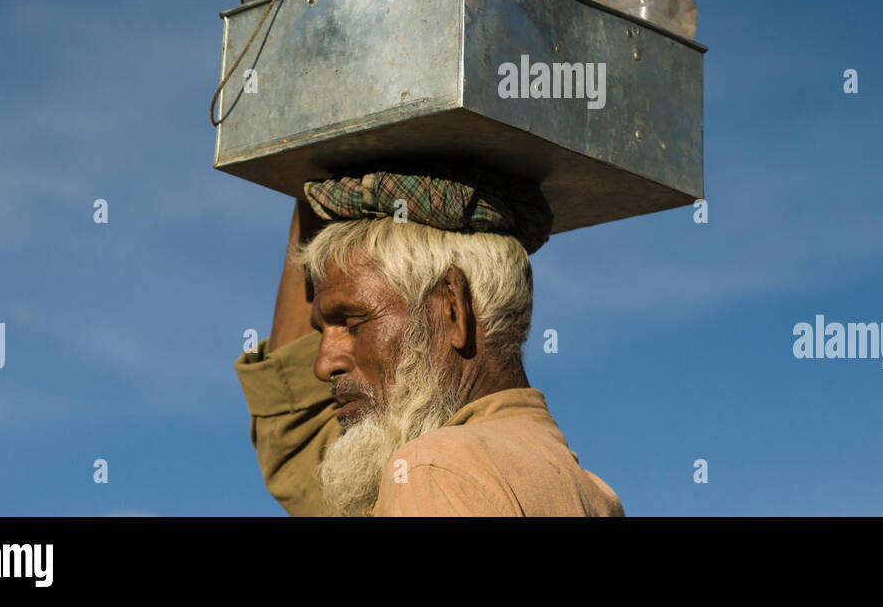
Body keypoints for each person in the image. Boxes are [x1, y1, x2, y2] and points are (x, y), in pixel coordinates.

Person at [233, 164, 625, 517]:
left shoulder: (433, 469)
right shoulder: (591, 492)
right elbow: (297, 436)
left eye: (351, 323)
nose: (322, 365)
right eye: (323, 331)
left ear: (452, 308)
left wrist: (309, 152)